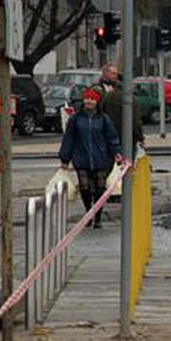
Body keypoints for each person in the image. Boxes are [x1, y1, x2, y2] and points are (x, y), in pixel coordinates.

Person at [58, 88, 121, 228]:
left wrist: (116, 151)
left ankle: (97, 217)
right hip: (82, 158)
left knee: (99, 189)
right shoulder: (76, 119)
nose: (89, 101)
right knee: (85, 188)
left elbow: (111, 137)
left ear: (97, 101)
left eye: (92, 99)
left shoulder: (104, 119)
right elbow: (69, 139)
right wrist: (64, 158)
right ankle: (88, 212)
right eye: (86, 98)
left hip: (100, 158)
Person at [92, 62, 144, 150]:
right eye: (113, 73)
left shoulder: (124, 92)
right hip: (105, 134)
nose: (115, 76)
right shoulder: (96, 89)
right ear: (105, 73)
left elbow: (135, 118)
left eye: (116, 73)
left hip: (123, 133)